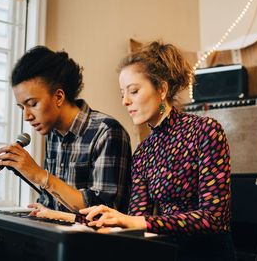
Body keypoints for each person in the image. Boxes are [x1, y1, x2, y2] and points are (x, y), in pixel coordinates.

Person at [30, 41, 235, 260]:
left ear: (162, 89)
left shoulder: (205, 131)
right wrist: (63, 217)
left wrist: (134, 220)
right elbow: (134, 220)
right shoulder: (144, 152)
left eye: (134, 91)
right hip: (169, 253)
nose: (125, 101)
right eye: (122, 93)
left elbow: (214, 218)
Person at [0, 46, 132, 217]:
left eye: (33, 104)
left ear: (58, 97)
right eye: (22, 107)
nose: (27, 116)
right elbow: (52, 202)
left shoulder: (107, 132)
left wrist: (39, 175)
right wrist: (42, 208)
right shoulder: (52, 135)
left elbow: (103, 212)